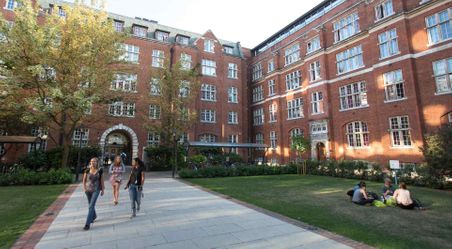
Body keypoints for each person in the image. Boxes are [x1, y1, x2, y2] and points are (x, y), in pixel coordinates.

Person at [82, 157, 105, 230]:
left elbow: (101, 180)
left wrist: (103, 190)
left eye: (94, 161)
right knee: (90, 205)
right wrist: (84, 189)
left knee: (91, 206)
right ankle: (94, 216)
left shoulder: (100, 170)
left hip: (96, 190)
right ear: (90, 162)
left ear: (97, 162)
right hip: (88, 190)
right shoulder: (87, 170)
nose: (93, 162)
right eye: (91, 161)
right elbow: (84, 180)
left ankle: (87, 224)